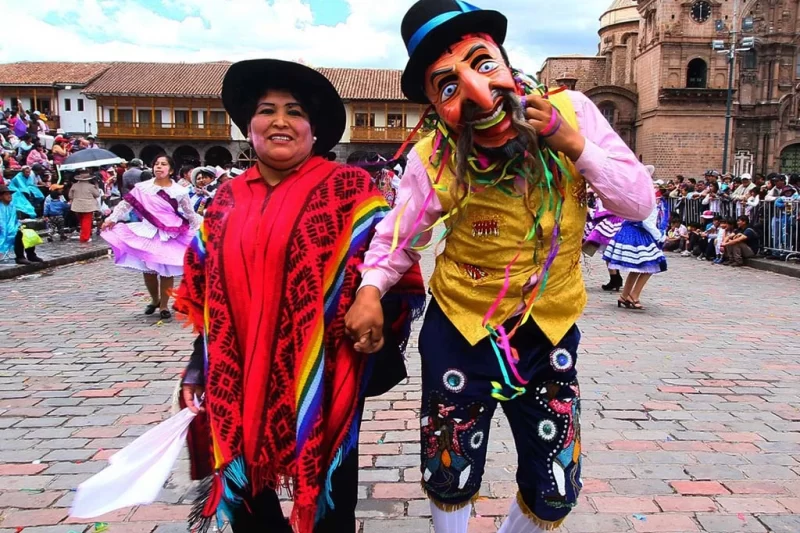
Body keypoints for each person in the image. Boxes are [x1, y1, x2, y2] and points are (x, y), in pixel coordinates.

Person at [344, 2, 654, 531]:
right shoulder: (432, 156)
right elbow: (399, 237)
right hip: (461, 329)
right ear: (434, 107)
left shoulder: (575, 110)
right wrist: (370, 289)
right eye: (447, 87)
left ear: (508, 63)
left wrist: (574, 145)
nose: (477, 95)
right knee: (450, 468)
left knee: (556, 481)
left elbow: (639, 203)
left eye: (483, 64)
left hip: (549, 332)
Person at [174, 59, 425, 533]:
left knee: (330, 502)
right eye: (267, 111)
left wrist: (373, 319)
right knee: (249, 497)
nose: (280, 121)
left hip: (325, 369)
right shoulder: (226, 198)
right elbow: (209, 293)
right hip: (237, 371)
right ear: (250, 126)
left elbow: (391, 268)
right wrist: (197, 367)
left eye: (294, 111)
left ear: (313, 129)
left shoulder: (348, 189)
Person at [101, 155, 201, 319]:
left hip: (170, 233)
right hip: (147, 232)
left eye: (163, 164)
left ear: (171, 170)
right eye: (156, 164)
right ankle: (155, 299)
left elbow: (190, 213)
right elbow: (125, 205)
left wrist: (199, 231)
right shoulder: (142, 188)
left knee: (166, 271)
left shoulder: (180, 191)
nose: (159, 167)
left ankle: (164, 305)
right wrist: (111, 219)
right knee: (148, 270)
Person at [583, 194, 624, 290]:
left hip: (610, 224)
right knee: (609, 252)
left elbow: (601, 213)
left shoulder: (605, 196)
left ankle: (615, 279)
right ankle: (615, 278)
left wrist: (588, 209)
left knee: (607, 252)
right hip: (616, 223)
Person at [0, 184, 42, 264]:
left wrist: (18, 227)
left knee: (28, 232)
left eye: (9, 194)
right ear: (0, 197)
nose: (9, 196)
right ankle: (20, 257)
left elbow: (14, 220)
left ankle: (31, 255)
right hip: (3, 232)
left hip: (12, 228)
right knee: (18, 234)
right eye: (6, 194)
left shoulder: (11, 206)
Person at [69, 170, 101, 243]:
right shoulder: (91, 186)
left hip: (77, 205)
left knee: (82, 221)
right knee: (87, 221)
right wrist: (97, 187)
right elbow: (97, 195)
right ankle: (85, 238)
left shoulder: (74, 185)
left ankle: (84, 235)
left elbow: (70, 196)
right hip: (88, 205)